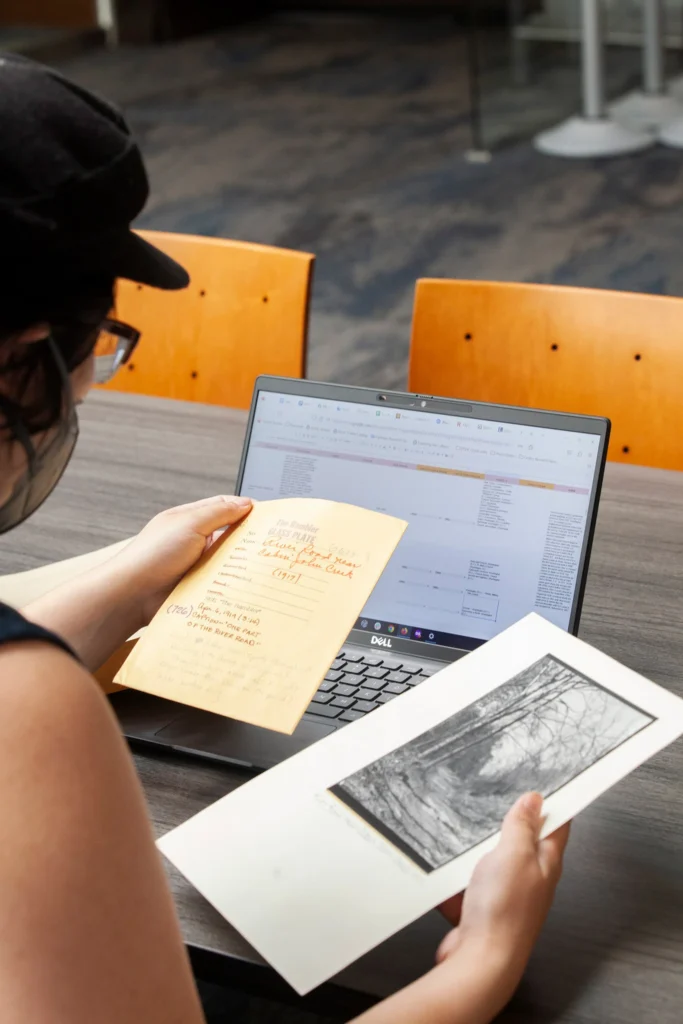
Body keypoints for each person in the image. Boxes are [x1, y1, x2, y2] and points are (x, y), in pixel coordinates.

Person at [0, 52, 569, 1024]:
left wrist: (136, 572)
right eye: (95, 351)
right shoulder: (30, 715)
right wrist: (482, 960)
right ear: (22, 361)